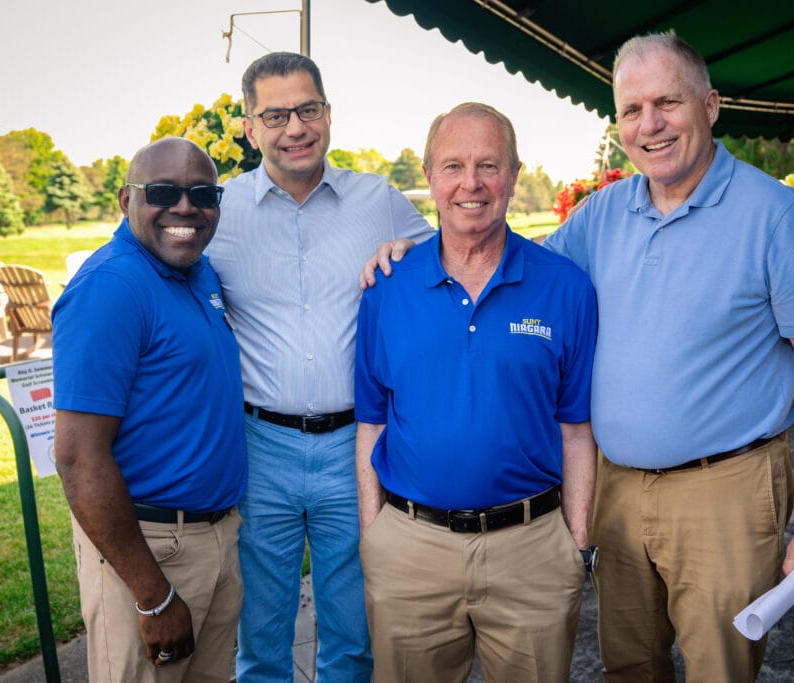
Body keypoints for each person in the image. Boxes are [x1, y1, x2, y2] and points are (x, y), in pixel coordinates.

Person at [362, 32, 794, 682]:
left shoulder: (778, 217)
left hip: (725, 490)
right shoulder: (605, 213)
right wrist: (415, 247)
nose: (649, 124)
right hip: (619, 488)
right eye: (631, 109)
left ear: (711, 105)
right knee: (629, 665)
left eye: (667, 103)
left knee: (721, 666)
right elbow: (503, 254)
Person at [204, 51, 433, 682]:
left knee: (352, 633)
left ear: (328, 114)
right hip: (260, 449)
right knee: (261, 641)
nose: (295, 127)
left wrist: (411, 247)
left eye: (307, 109)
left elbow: (452, 259)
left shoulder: (379, 201)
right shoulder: (219, 214)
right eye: (275, 115)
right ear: (249, 127)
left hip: (354, 447)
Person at [354, 102, 599, 682]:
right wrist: (375, 540)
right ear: (430, 174)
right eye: (454, 165)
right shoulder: (386, 287)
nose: (471, 183)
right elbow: (372, 423)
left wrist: (577, 548)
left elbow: (577, 430)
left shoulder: (566, 287)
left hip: (532, 550)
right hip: (411, 552)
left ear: (513, 174)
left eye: (489, 165)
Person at [53, 136, 247, 682]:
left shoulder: (197, 271)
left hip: (214, 539)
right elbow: (78, 459)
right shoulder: (111, 287)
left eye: (203, 194)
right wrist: (153, 597)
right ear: (125, 200)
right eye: (162, 192)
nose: (185, 207)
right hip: (150, 553)